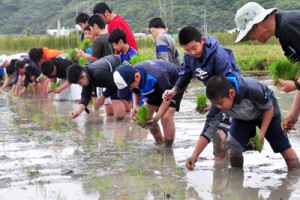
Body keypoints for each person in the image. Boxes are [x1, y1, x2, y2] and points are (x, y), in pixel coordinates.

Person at [185, 74, 300, 171]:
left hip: (266, 112)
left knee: (282, 145)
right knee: (233, 145)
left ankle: (295, 175)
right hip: (242, 117)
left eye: (220, 103)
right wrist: (195, 155)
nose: (218, 107)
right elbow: (208, 129)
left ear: (231, 93)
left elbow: (268, 108)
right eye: (215, 104)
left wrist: (262, 132)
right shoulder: (218, 105)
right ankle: (237, 179)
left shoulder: (251, 89)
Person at [162, 27, 242, 159]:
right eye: (187, 50)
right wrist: (173, 91)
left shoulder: (219, 55)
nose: (192, 53)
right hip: (217, 96)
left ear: (202, 40)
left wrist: (216, 103)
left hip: (231, 95)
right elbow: (185, 75)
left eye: (194, 48)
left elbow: (228, 82)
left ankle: (225, 165)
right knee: (218, 132)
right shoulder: (189, 57)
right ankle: (221, 165)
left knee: (223, 133)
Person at [234, 2, 300, 134]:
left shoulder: (290, 24)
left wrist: (295, 85)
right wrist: (294, 111)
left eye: (248, 34)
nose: (251, 39)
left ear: (256, 25)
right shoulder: (284, 39)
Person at [113, 60, 184, 147]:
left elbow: (167, 99)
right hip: (155, 88)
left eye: (129, 86)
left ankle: (168, 148)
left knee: (165, 117)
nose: (130, 88)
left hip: (173, 84)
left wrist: (157, 116)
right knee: (146, 117)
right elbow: (135, 90)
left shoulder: (157, 76)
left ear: (137, 76)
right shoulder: (132, 74)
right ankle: (160, 143)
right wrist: (135, 105)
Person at [67, 55, 132, 121]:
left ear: (84, 76)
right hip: (110, 76)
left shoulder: (98, 74)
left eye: (80, 83)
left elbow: (113, 86)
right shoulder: (86, 75)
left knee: (118, 116)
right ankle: (127, 121)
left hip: (119, 69)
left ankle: (122, 124)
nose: (80, 85)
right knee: (123, 108)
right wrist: (77, 111)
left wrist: (103, 97)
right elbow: (85, 96)